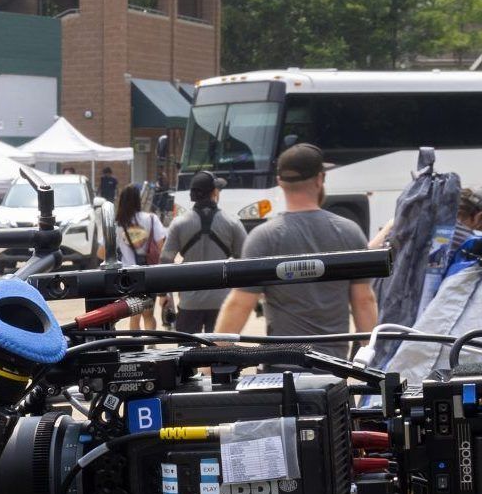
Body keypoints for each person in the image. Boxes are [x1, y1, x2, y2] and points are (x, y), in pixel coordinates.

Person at [215, 143, 377, 352]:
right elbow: (364, 301)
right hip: (333, 367)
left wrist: (211, 359)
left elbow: (240, 304)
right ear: (320, 179)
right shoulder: (349, 232)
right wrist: (372, 358)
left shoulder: (263, 237)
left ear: (279, 182)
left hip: (282, 367)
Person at [161, 172, 245, 334]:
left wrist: (163, 294)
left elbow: (165, 259)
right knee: (221, 353)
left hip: (189, 302)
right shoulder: (232, 222)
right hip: (222, 302)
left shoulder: (179, 224)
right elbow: (247, 260)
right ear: (214, 192)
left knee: (188, 355)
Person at [110, 183, 165, 332]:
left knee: (134, 314)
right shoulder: (151, 219)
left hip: (128, 276)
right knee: (149, 314)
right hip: (149, 273)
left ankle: (136, 346)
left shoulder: (117, 225)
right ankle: (152, 344)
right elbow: (162, 246)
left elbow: (101, 252)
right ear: (138, 200)